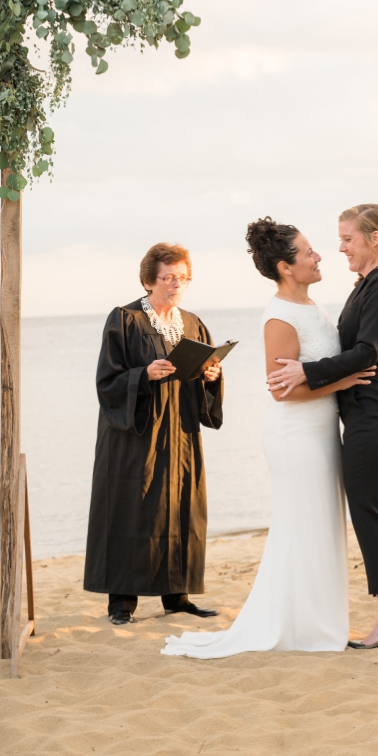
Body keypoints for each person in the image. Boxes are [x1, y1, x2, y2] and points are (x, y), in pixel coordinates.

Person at [163, 219, 375, 659]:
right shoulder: (279, 316)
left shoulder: (312, 307)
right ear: (285, 266)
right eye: (308, 253)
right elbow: (282, 389)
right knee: (303, 526)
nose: (319, 257)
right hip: (296, 435)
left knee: (319, 527)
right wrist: (345, 380)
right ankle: (304, 629)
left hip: (320, 431)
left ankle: (317, 625)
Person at [267, 204, 378, 649]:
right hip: (365, 411)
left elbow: (368, 351)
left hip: (376, 412)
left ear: (374, 238)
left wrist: (308, 373)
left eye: (347, 238)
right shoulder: (368, 284)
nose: (340, 247)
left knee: (371, 513)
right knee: (371, 510)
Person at [84, 243, 223, 625]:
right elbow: (106, 381)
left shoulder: (193, 323)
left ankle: (176, 598)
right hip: (135, 432)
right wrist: (142, 375)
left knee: (180, 507)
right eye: (169, 277)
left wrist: (211, 376)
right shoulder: (125, 319)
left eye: (183, 277)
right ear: (149, 280)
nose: (177, 284)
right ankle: (121, 604)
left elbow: (200, 375)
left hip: (180, 429)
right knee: (131, 508)